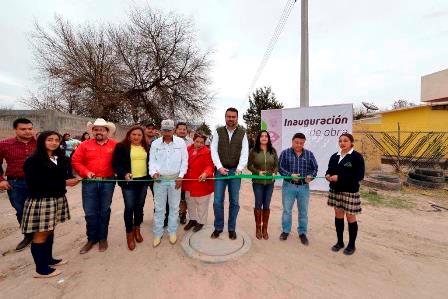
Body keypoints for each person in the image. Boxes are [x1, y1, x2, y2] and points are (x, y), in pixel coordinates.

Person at [22, 131, 79, 278]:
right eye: (50, 140)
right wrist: (64, 182)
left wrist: (72, 178)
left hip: (57, 198)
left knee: (50, 230)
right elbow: (35, 184)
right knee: (40, 233)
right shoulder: (33, 160)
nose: (54, 142)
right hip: (41, 201)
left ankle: (48, 259)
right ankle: (41, 269)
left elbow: (63, 176)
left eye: (56, 140)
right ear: (42, 141)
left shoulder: (59, 158)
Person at [72, 118, 117, 254]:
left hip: (108, 182)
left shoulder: (115, 145)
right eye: (96, 129)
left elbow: (121, 161)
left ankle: (103, 238)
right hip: (89, 183)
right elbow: (76, 161)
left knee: (104, 210)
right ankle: (91, 239)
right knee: (90, 212)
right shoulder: (84, 145)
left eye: (102, 129)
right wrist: (86, 172)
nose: (99, 132)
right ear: (92, 131)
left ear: (107, 131)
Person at [210, 107, 249, 240]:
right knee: (217, 202)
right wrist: (219, 167)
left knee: (234, 202)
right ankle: (218, 227)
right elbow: (213, 151)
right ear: (225, 117)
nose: (231, 119)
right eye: (228, 116)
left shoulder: (243, 133)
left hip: (235, 172)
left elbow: (245, 153)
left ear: (237, 118)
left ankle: (231, 228)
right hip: (221, 172)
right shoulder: (218, 131)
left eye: (233, 117)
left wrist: (239, 169)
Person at [149, 119, 188, 248]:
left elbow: (184, 161)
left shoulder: (180, 143)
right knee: (159, 208)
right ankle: (158, 233)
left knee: (174, 207)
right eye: (164, 130)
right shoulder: (155, 144)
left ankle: (172, 232)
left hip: (175, 180)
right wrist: (153, 172)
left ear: (173, 130)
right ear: (161, 130)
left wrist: (181, 176)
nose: (167, 133)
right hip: (160, 180)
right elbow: (152, 162)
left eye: (169, 130)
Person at [0, 118, 36, 251]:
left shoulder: (41, 143)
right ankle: (28, 235)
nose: (27, 131)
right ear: (15, 129)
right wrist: (1, 180)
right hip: (15, 183)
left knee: (38, 208)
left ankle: (40, 235)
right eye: (23, 129)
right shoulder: (4, 144)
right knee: (21, 210)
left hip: (37, 182)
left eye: (30, 129)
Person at [325, 133, 365, 255]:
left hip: (350, 191)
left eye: (345, 141)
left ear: (351, 142)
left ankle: (351, 244)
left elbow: (359, 176)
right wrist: (328, 175)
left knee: (350, 217)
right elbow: (329, 170)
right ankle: (340, 242)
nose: (342, 143)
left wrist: (340, 178)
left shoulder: (356, 157)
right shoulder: (334, 156)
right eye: (340, 141)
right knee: (338, 215)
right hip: (335, 190)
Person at [112, 126, 150, 251]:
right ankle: (129, 234)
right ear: (129, 135)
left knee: (139, 207)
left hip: (143, 181)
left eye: (139, 135)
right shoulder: (121, 147)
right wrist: (124, 173)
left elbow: (151, 163)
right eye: (134, 134)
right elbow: (116, 164)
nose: (136, 137)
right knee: (129, 207)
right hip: (129, 182)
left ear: (142, 136)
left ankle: (137, 229)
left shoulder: (146, 147)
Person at [278, 133, 318, 246]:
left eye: (301, 143)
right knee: (287, 210)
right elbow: (280, 168)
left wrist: (311, 176)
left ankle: (302, 233)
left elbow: (314, 168)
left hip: (304, 187)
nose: (298, 145)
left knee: (303, 212)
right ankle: (285, 231)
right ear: (292, 141)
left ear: (304, 143)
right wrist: (290, 174)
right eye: (296, 142)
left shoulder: (309, 154)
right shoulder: (285, 153)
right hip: (288, 185)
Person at [247, 130, 278, 240]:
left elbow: (276, 165)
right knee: (258, 203)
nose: (264, 138)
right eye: (262, 136)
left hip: (270, 182)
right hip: (257, 182)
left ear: (268, 138)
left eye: (266, 136)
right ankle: (258, 228)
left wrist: (275, 172)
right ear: (258, 138)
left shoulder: (272, 151)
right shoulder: (253, 151)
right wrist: (257, 172)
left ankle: (265, 228)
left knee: (267, 204)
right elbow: (249, 165)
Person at [182, 132, 214, 232]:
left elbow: (210, 166)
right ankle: (192, 219)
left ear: (204, 143)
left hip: (202, 182)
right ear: (193, 140)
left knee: (202, 204)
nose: (199, 144)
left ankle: (201, 221)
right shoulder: (188, 150)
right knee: (190, 202)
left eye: (201, 142)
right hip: (189, 182)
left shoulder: (207, 152)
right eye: (197, 141)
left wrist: (206, 173)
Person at [175, 122, 193, 225]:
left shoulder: (190, 141)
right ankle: (173, 213)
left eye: (184, 129)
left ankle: (183, 214)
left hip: (187, 173)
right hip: (174, 173)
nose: (182, 131)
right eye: (180, 129)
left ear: (187, 131)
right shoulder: (171, 140)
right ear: (176, 130)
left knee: (185, 196)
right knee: (175, 195)